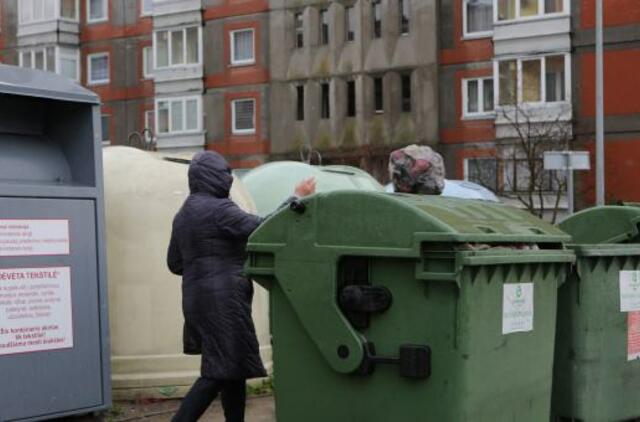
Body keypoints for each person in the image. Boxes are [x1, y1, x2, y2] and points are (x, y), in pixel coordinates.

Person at [167, 151, 316, 422]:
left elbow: (175, 263)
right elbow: (264, 228)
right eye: (225, 173)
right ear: (213, 176)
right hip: (224, 301)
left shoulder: (183, 214)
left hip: (196, 300)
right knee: (216, 373)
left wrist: (204, 262)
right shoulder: (219, 209)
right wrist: (296, 198)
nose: (228, 178)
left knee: (231, 368)